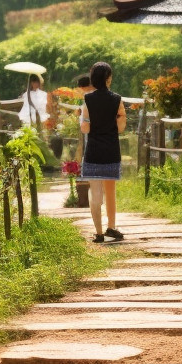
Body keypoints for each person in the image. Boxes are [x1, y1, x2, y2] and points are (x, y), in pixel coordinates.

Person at [80, 61, 127, 243]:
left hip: (93, 152)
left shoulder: (88, 99)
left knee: (96, 194)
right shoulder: (117, 100)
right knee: (111, 191)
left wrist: (90, 122)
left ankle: (98, 233)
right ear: (108, 79)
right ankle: (111, 227)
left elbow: (85, 128)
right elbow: (120, 127)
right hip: (111, 151)